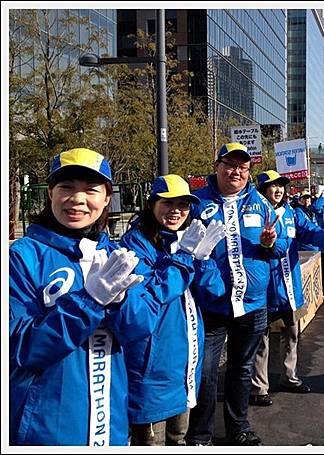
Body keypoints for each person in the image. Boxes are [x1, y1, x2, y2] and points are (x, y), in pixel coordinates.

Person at [9, 148, 160, 445]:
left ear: (106, 199)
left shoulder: (117, 256)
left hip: (110, 422)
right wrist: (89, 302)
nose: (77, 199)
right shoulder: (21, 257)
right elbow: (20, 347)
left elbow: (142, 328)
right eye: (66, 187)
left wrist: (119, 302)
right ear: (50, 193)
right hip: (47, 428)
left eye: (91, 190)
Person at [185, 143, 283, 446]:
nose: (236, 172)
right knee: (205, 373)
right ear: (217, 166)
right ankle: (199, 435)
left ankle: (238, 426)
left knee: (242, 370)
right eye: (230, 165)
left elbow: (279, 251)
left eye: (242, 168)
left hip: (253, 304)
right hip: (212, 304)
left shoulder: (260, 203)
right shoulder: (198, 203)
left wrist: (270, 243)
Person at [120, 175, 226, 445]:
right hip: (151, 365)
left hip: (187, 361)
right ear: (152, 204)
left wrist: (201, 260)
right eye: (168, 203)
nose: (176, 210)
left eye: (184, 204)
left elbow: (214, 293)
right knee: (149, 442)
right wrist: (183, 257)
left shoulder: (189, 238)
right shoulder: (134, 244)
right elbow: (153, 297)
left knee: (178, 437)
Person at [250, 171, 324, 406]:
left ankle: (290, 377)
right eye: (272, 186)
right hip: (264, 290)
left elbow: (309, 231)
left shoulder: (292, 213)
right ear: (262, 189)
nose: (278, 190)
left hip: (290, 287)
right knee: (261, 341)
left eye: (281, 186)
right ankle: (259, 387)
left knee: (292, 335)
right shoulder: (254, 214)